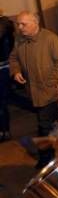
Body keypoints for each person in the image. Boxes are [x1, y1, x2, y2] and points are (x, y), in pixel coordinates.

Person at [9, 11, 58, 168]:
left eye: (23, 24)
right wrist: (16, 71)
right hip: (33, 92)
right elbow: (13, 58)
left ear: (35, 23)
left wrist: (49, 83)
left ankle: (46, 158)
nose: (20, 27)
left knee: (44, 125)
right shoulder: (20, 40)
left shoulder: (52, 40)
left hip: (51, 93)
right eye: (18, 24)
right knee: (49, 124)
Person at [0, 11, 14, 141]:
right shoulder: (7, 24)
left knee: (2, 102)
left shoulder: (2, 25)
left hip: (2, 68)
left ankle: (4, 131)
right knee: (4, 101)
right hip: (5, 67)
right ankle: (5, 130)